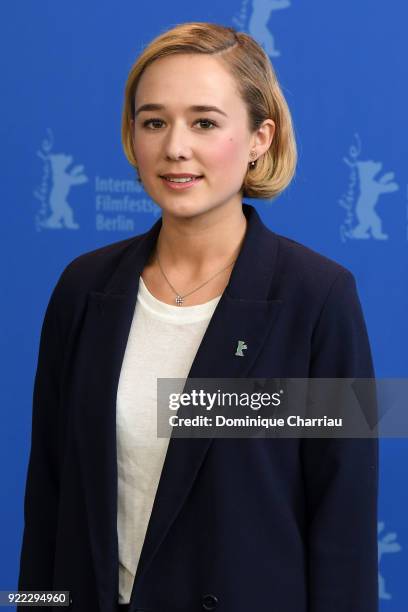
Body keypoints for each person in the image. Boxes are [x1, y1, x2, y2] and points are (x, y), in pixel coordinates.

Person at [18, 22, 378, 612]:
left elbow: (345, 525)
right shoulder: (83, 288)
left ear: (261, 137)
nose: (175, 147)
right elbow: (48, 499)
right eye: (153, 121)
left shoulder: (321, 297)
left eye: (205, 122)